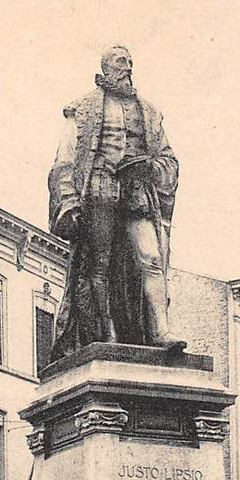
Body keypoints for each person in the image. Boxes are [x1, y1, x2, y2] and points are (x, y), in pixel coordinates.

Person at [48, 45, 185, 359]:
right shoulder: (81, 109)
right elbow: (65, 161)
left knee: (152, 258)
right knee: (100, 266)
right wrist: (69, 200)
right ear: (105, 67)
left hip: (137, 190)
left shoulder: (149, 112)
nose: (128, 67)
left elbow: (168, 158)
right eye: (120, 61)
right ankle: (105, 332)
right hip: (100, 186)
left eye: (130, 62)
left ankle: (160, 331)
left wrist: (152, 167)